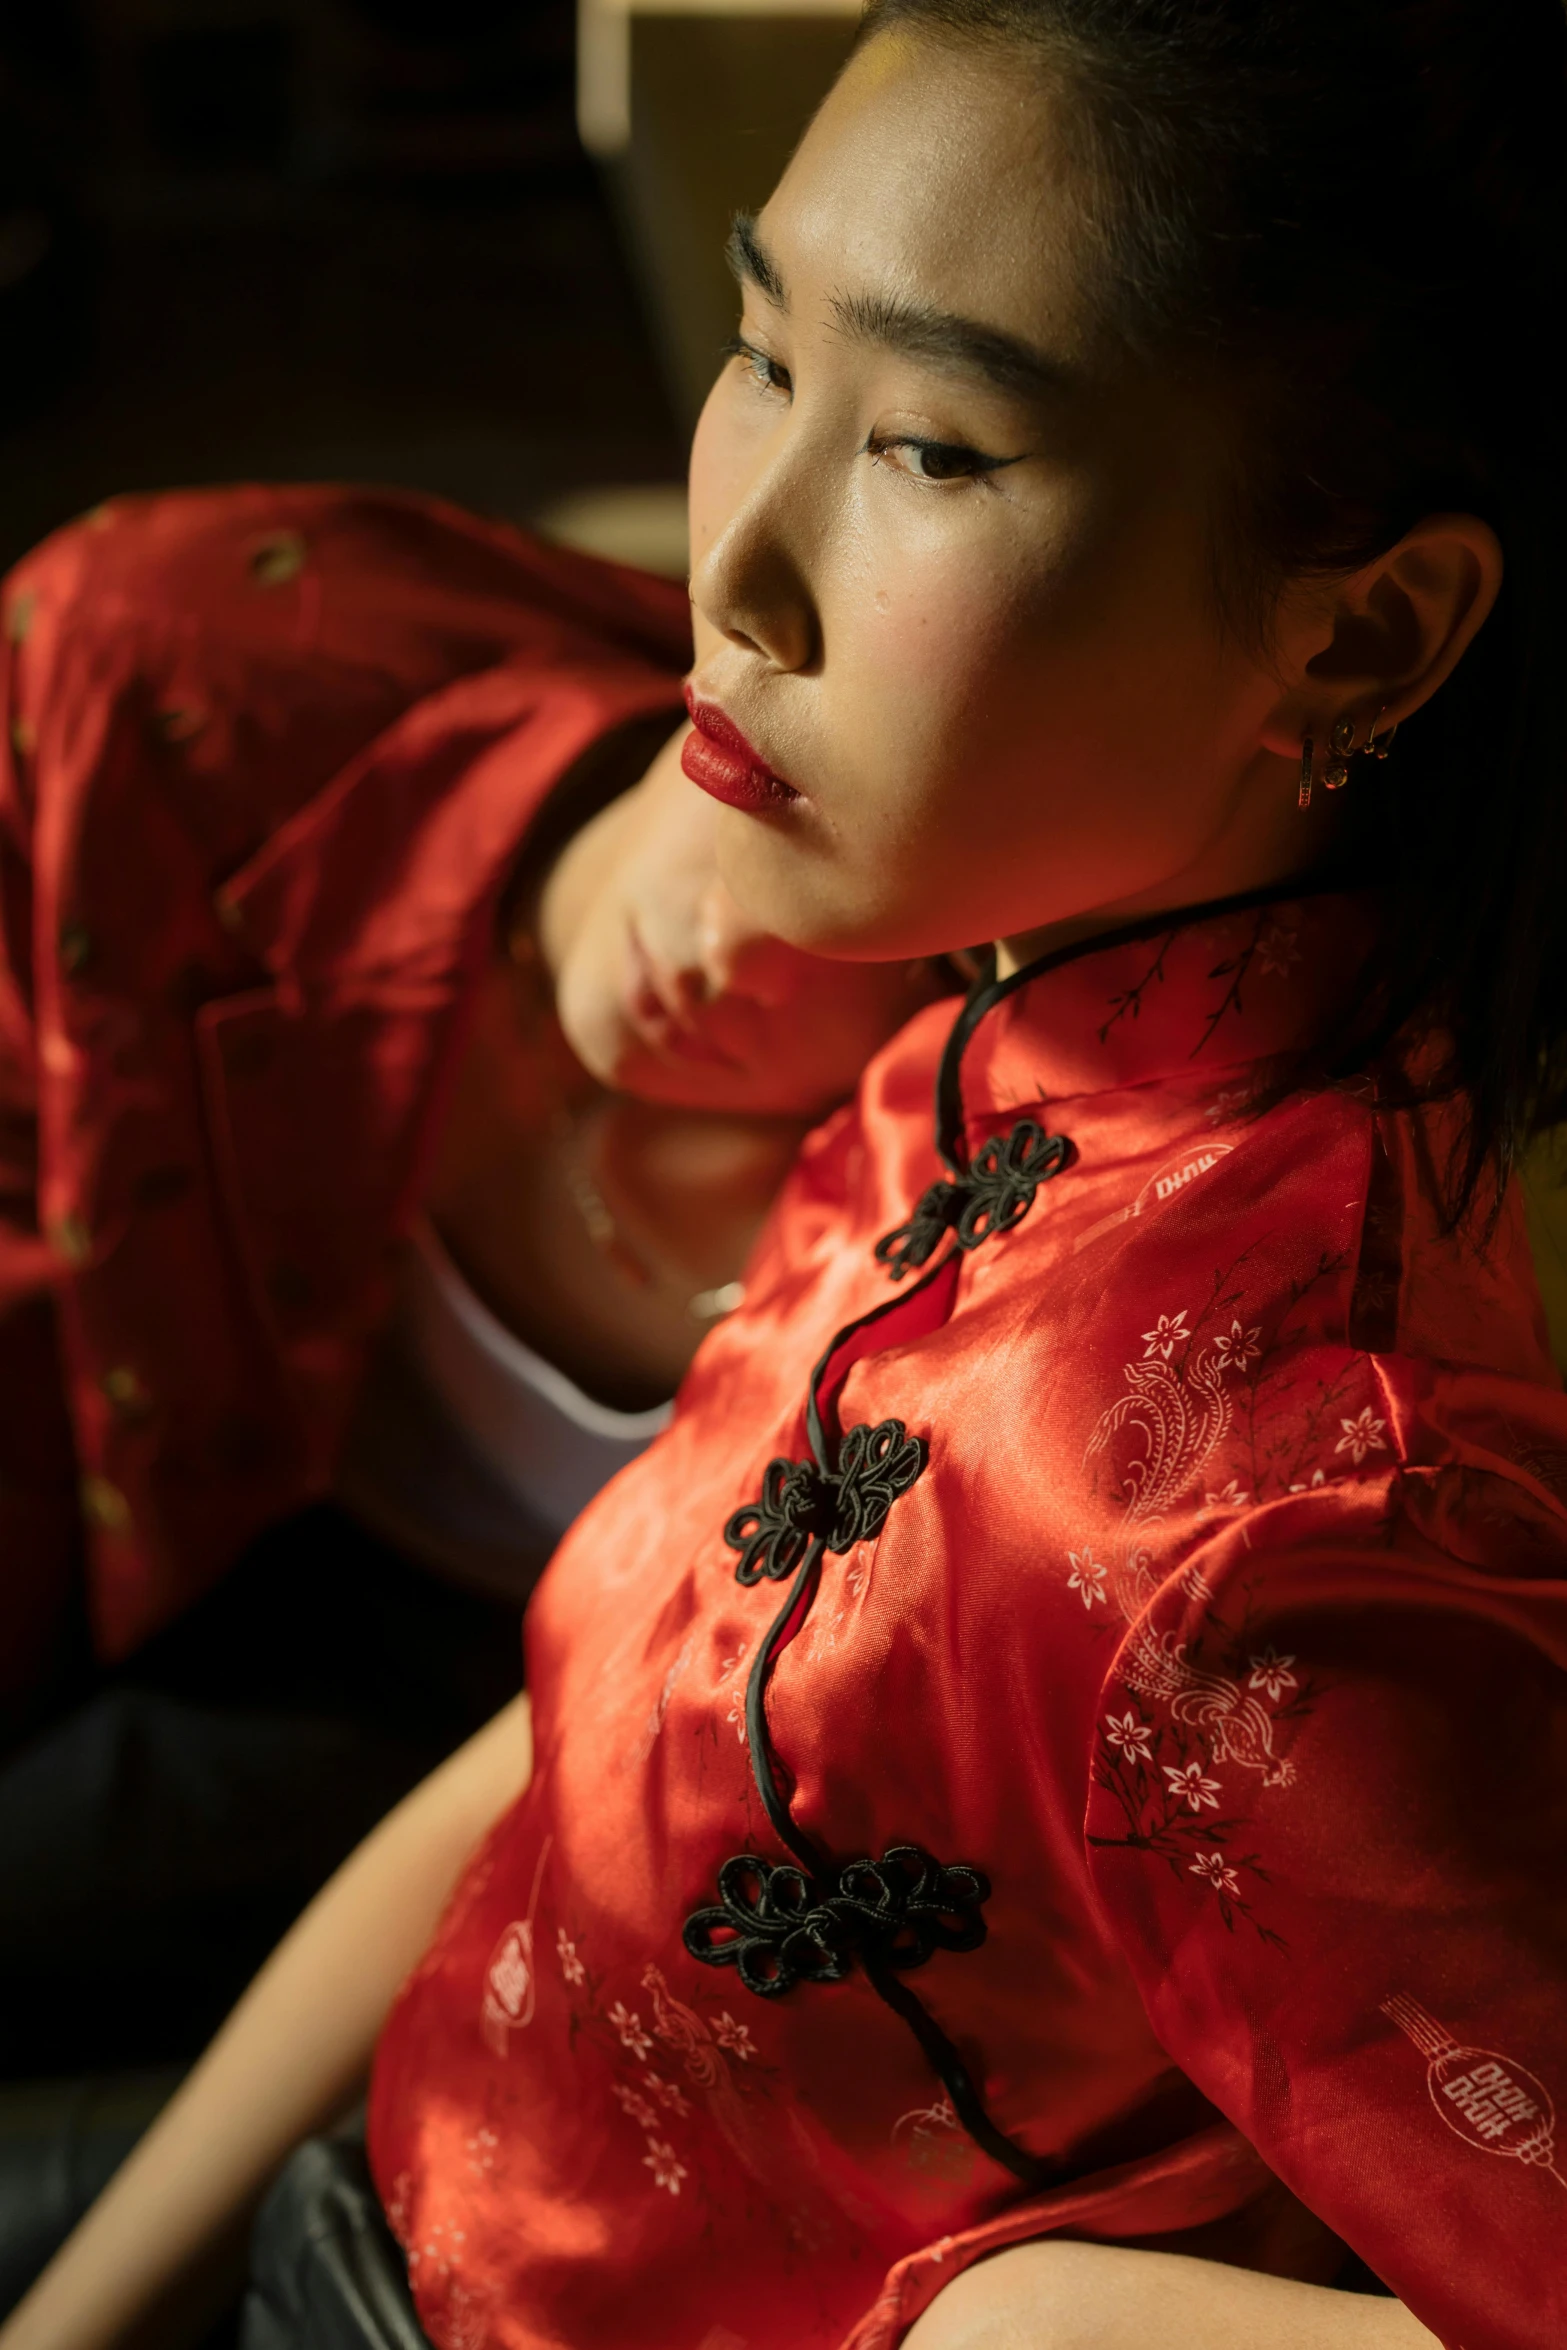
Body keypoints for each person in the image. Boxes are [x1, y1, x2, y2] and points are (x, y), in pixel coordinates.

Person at [7, 0, 1567, 2342]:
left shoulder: (1276, 1518)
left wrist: (1031, 2319)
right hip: (342, 2185)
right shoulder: (986, 1043)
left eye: (932, 447)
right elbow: (555, 1788)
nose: (738, 559)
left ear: (1369, 630)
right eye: (762, 349)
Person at [0, 484, 948, 2086]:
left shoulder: (896, 1224)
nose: (739, 953)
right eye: (765, 801)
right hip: (104, 1420)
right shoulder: (189, 686)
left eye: (892, 936)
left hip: (442, 1679)